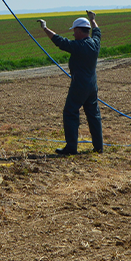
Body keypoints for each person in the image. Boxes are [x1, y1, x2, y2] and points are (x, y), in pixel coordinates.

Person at [38, 10, 103, 155]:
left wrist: (44, 28)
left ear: (79, 31)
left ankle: (71, 147)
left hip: (79, 85)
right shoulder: (95, 43)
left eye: (74, 30)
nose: (73, 34)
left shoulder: (78, 46)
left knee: (70, 112)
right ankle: (99, 147)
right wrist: (92, 19)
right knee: (94, 115)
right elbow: (97, 31)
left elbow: (59, 41)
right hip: (92, 85)